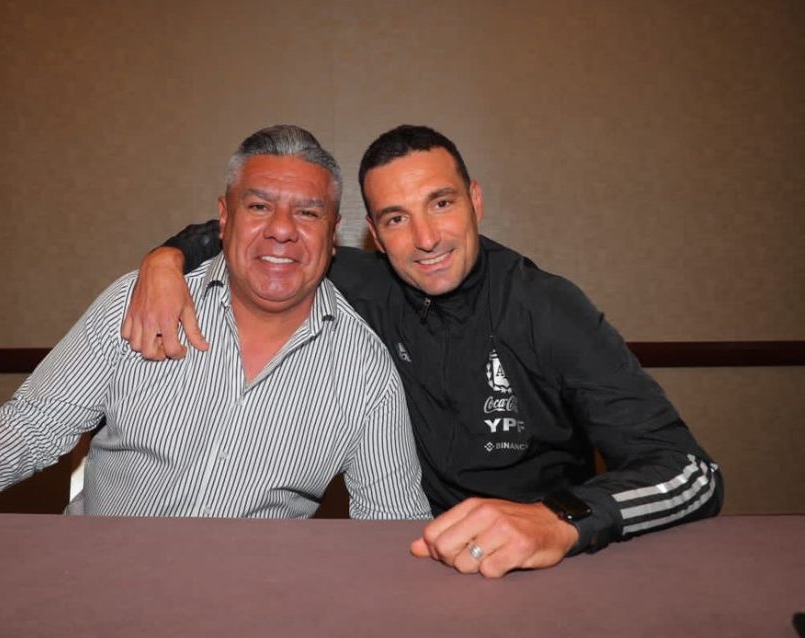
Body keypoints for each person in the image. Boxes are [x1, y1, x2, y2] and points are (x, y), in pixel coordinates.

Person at [123, 124, 724, 578]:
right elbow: (254, 233)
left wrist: (559, 519)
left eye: (441, 203)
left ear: (475, 201)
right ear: (374, 236)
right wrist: (165, 259)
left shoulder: (546, 308)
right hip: (416, 564)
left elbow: (690, 472)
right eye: (396, 218)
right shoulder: (355, 282)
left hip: (547, 565)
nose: (427, 238)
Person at [0, 125, 431, 544]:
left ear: (333, 234)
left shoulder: (364, 370)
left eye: (307, 213)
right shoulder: (138, 305)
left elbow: (392, 525)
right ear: (224, 217)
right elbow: (32, 426)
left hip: (247, 605)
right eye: (258, 206)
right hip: (90, 585)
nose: (282, 231)